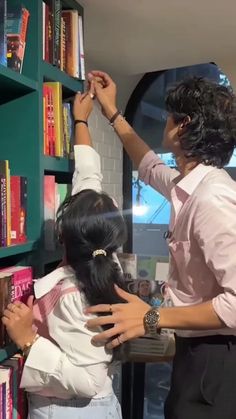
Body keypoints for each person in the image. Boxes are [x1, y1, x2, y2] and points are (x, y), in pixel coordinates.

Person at [85, 71, 236, 419]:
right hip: (197, 353)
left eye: (171, 114)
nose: (164, 120)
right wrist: (112, 113)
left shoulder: (211, 197)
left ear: (184, 125)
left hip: (217, 362)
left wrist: (152, 317)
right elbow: (150, 166)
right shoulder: (191, 186)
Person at [2, 86, 127, 419]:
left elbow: (88, 380)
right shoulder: (104, 256)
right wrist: (81, 121)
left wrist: (28, 339)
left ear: (63, 234)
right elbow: (89, 179)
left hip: (73, 410)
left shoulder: (73, 295)